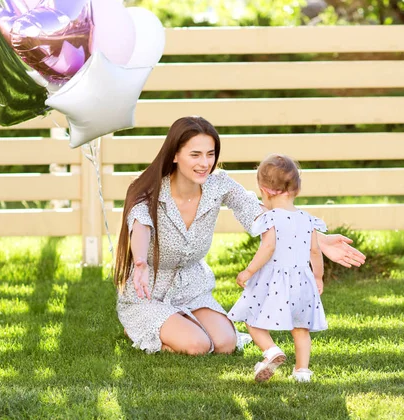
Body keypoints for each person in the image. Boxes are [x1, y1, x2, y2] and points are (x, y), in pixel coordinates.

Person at [114, 116, 366, 355]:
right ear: (176, 155)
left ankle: (179, 325)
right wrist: (140, 262)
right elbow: (141, 224)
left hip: (192, 288)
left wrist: (318, 240)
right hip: (149, 292)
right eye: (195, 154)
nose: (205, 163)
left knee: (225, 343)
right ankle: (140, 327)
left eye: (210, 154)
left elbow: (256, 211)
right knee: (197, 346)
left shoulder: (218, 185)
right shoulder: (151, 190)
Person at [228, 154, 326, 382]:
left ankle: (271, 351)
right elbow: (315, 252)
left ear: (265, 190)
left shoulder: (269, 218)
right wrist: (318, 278)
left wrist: (249, 271)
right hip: (303, 282)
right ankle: (302, 372)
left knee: (251, 318)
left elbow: (268, 247)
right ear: (297, 189)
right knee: (301, 328)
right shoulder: (307, 219)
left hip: (273, 281)